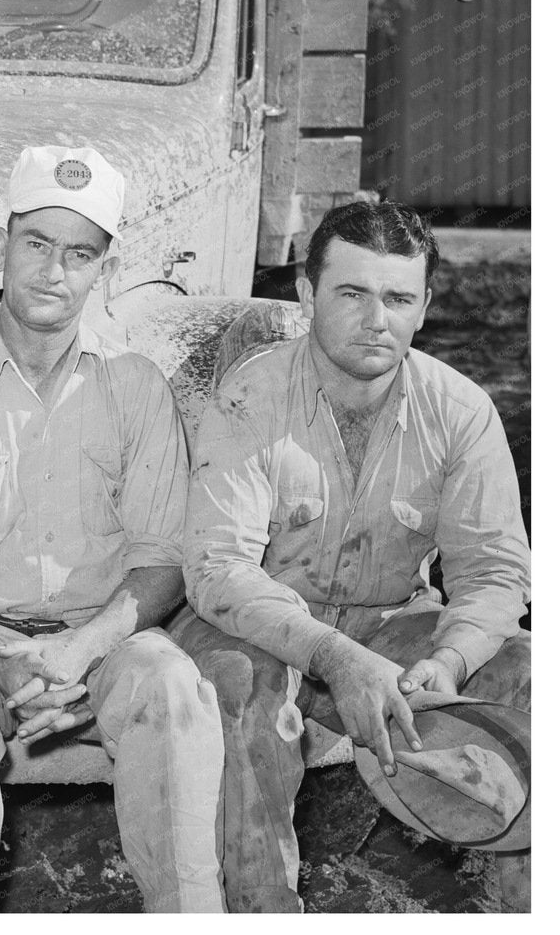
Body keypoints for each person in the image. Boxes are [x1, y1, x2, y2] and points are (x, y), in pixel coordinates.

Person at [0, 146, 225, 913]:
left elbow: (160, 557)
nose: (52, 270)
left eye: (79, 254)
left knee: (172, 686)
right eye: (35, 243)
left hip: (99, 634)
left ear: (104, 272)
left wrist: (77, 650)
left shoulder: (136, 387)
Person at [173, 200, 531, 912]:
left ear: (425, 306)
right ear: (308, 296)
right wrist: (337, 658)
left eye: (399, 298)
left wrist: (450, 659)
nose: (378, 319)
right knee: (245, 687)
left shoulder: (459, 411)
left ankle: (523, 902)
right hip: (257, 626)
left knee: (529, 673)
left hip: (394, 624)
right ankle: (261, 909)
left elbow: (493, 571)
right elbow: (217, 569)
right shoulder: (251, 395)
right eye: (353, 293)